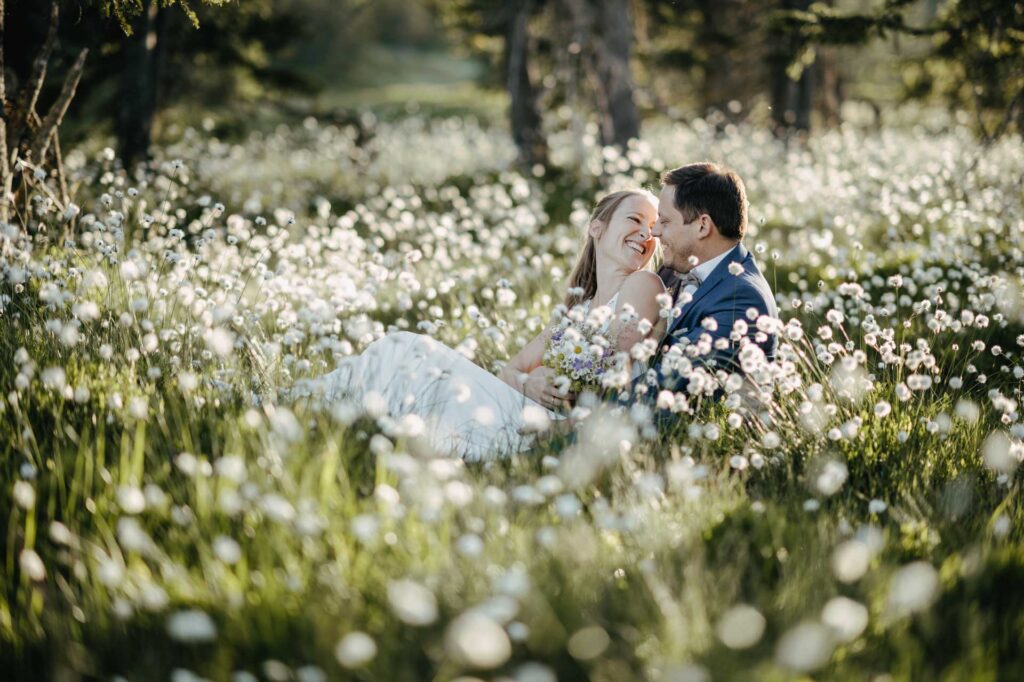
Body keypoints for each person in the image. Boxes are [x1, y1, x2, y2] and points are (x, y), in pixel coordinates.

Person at [290, 189, 666, 461]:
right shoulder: (579, 308)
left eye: (654, 227)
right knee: (402, 351)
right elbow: (510, 370)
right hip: (531, 409)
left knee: (409, 350)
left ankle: (305, 409)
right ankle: (313, 405)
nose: (646, 234)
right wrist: (529, 381)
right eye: (634, 219)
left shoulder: (643, 285)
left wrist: (562, 415)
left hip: (557, 427)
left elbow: (618, 375)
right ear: (597, 229)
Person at [635, 162, 778, 406]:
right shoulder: (672, 271)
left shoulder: (741, 301)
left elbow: (667, 384)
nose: (655, 231)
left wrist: (576, 405)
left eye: (665, 221)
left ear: (703, 226)